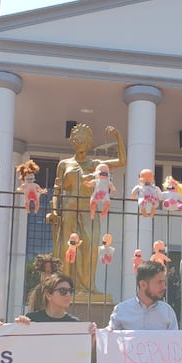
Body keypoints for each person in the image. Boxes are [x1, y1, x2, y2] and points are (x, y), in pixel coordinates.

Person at [46, 123, 126, 299]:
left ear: (90, 143)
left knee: (90, 246)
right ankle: (63, 286)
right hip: (67, 208)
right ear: (73, 142)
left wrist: (118, 136)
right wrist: (53, 210)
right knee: (67, 247)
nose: (82, 142)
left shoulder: (95, 164)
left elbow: (121, 161)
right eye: (78, 139)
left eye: (86, 139)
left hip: (87, 208)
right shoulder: (64, 164)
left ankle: (87, 287)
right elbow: (57, 189)